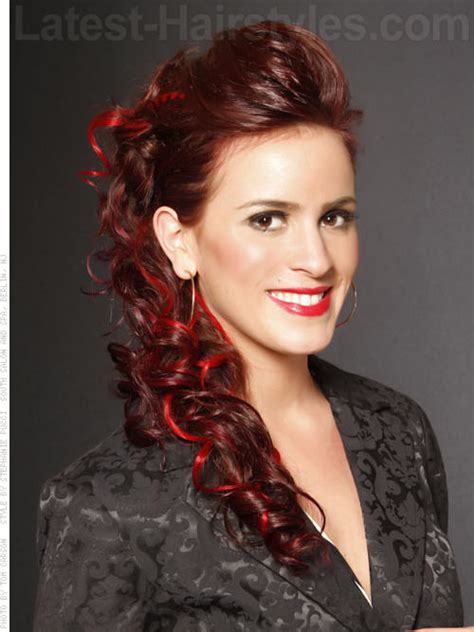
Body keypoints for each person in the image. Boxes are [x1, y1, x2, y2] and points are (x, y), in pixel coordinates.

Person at [32, 20, 467, 631]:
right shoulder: (105, 507)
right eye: (267, 219)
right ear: (179, 241)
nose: (316, 259)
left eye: (335, 217)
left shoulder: (400, 432)